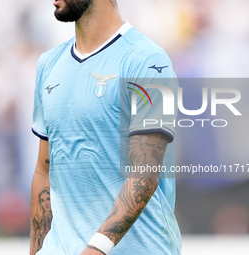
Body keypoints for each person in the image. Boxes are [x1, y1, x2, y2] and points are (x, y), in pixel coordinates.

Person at [30, 0, 181, 254]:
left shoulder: (149, 61)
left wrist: (97, 248)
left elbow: (145, 173)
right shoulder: (48, 64)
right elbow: (43, 172)